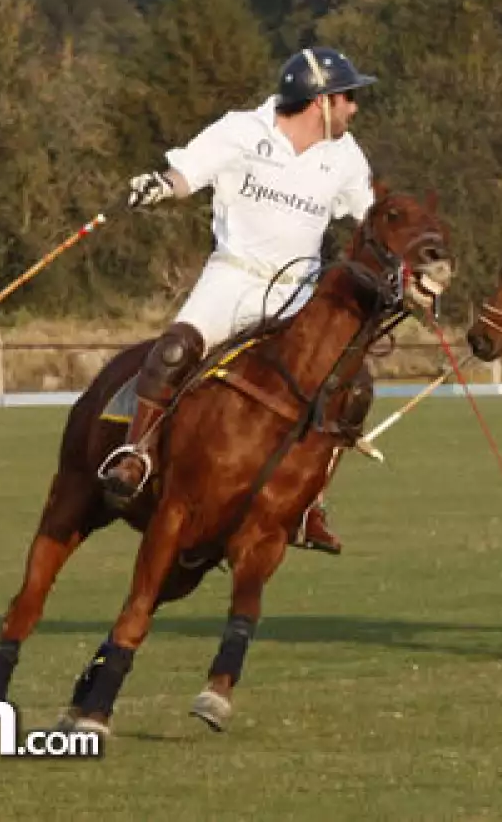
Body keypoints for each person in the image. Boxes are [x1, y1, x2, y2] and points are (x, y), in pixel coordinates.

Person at [98, 46, 380, 553]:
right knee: (175, 349)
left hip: (299, 290)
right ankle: (134, 454)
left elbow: (372, 219)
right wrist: (159, 186)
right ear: (320, 102)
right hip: (232, 276)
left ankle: (308, 504)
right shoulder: (241, 130)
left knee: (348, 386)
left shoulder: (346, 156)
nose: (354, 109)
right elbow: (189, 174)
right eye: (348, 98)